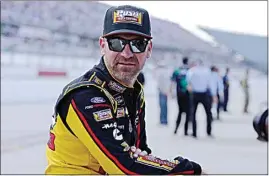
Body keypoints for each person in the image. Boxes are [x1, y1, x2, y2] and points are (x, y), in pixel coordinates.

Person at [45, 5, 203, 175]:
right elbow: (125, 167)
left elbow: (140, 153)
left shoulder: (134, 91)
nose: (127, 53)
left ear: (149, 49)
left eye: (138, 44)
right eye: (116, 43)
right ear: (102, 45)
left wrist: (137, 159)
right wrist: (192, 170)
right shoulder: (85, 96)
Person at [186, 60, 214, 138]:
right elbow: (210, 84)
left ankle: (194, 133)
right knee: (208, 113)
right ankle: (209, 131)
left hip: (195, 94)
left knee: (193, 113)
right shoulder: (207, 71)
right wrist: (214, 95)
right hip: (204, 94)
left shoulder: (192, 71)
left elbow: (188, 82)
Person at [170, 57, 191, 135]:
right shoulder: (190, 70)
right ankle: (185, 131)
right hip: (188, 94)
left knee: (180, 111)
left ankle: (176, 129)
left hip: (179, 94)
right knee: (188, 113)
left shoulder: (177, 71)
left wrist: (171, 92)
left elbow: (172, 82)